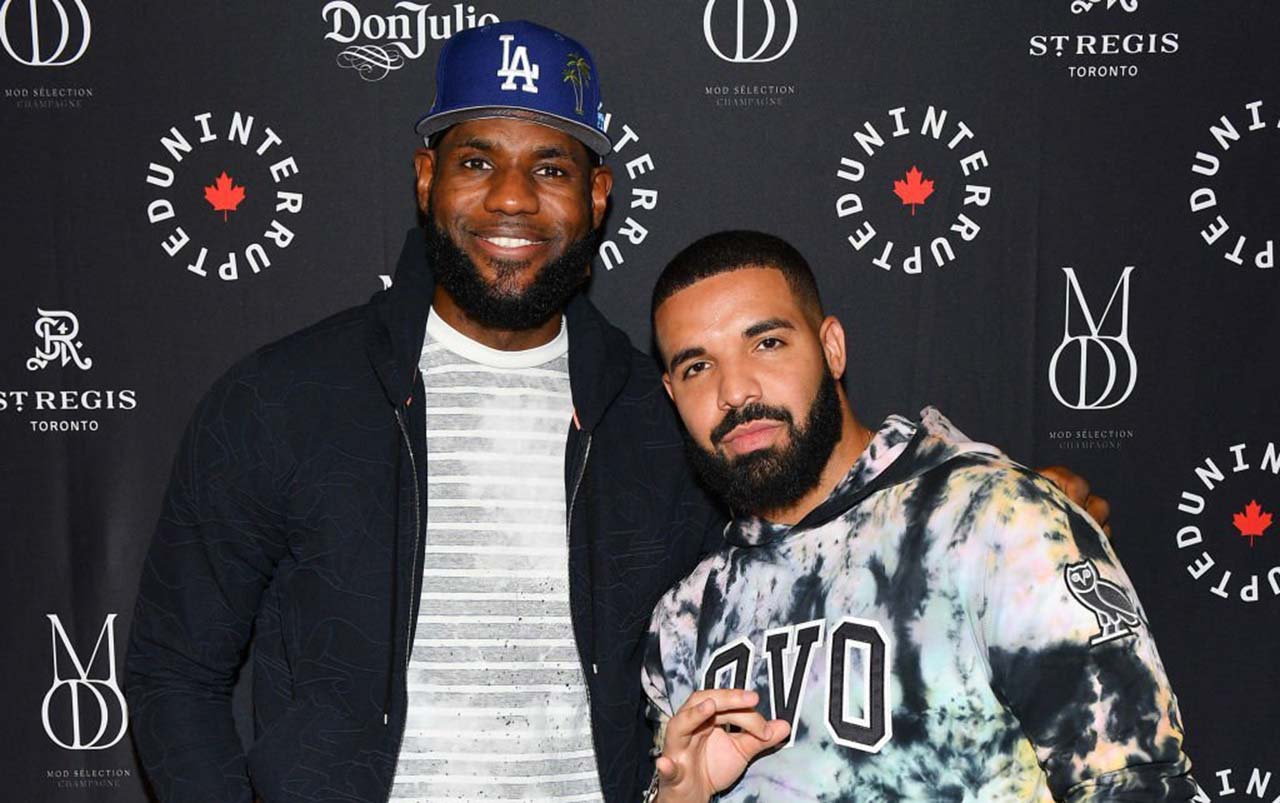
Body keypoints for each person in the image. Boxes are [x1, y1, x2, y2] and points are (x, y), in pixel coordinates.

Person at [125, 20, 1109, 803]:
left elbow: (807, 525)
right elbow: (175, 672)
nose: (512, 199)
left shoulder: (658, 409)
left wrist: (993, 512)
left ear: (596, 195)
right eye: (477, 161)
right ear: (426, 177)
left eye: (550, 168)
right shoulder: (281, 399)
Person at [641, 231, 1196, 802]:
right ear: (671, 394)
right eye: (697, 367)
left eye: (767, 343)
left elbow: (1136, 785)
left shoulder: (992, 520)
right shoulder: (687, 617)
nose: (735, 390)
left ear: (832, 348)